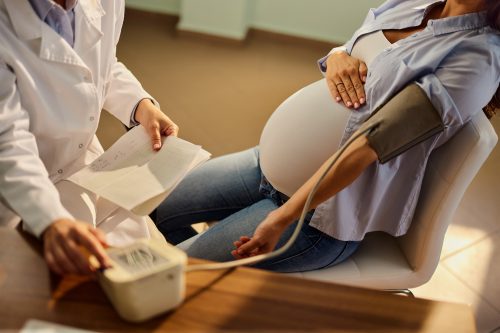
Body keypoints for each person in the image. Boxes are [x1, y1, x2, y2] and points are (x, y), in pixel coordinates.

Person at [152, 0, 500, 272]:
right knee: (153, 210)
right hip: (267, 168)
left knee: (171, 268)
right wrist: (337, 55)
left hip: (316, 219)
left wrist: (282, 217)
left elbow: (371, 143)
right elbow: (355, 47)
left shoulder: (479, 59)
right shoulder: (416, 4)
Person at [0, 0, 179, 275]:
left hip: (82, 163)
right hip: (19, 189)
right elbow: (7, 140)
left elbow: (101, 63)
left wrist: (140, 105)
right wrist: (49, 219)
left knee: (145, 267)